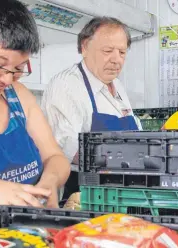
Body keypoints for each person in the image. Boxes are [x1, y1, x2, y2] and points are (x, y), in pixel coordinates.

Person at [0, 0, 71, 210]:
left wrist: (49, 183)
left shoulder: (18, 96)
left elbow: (55, 157)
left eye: (18, 68)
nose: (7, 80)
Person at [41, 17, 140, 196]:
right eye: (108, 50)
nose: (116, 60)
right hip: (86, 191)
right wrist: (129, 160)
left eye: (122, 52)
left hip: (123, 186)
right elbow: (67, 150)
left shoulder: (117, 85)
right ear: (85, 47)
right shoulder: (67, 85)